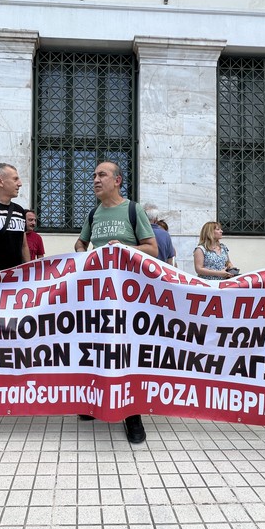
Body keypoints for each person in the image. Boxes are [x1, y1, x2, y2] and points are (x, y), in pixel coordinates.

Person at [75, 160, 158, 444]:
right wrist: (84, 255)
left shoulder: (133, 210)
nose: (96, 180)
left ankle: (132, 415)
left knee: (125, 352)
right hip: (98, 297)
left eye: (102, 175)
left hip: (128, 300)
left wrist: (124, 248)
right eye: (94, 175)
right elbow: (81, 243)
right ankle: (93, 402)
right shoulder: (93, 213)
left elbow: (151, 248)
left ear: (117, 180)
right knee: (96, 348)